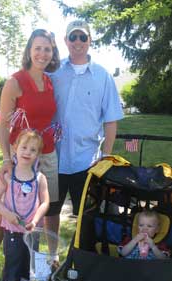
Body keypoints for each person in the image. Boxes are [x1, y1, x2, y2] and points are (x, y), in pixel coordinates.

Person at [0, 29, 60, 281]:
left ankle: (33, 270)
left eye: (48, 49)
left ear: (52, 53)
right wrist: (7, 159)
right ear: (29, 50)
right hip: (19, 156)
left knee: (44, 211)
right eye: (38, 47)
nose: (42, 53)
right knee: (4, 217)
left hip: (47, 154)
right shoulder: (15, 82)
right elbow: (2, 126)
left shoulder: (51, 81)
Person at [47, 20, 124, 235]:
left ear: (90, 40)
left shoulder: (103, 76)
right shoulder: (53, 72)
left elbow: (110, 120)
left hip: (87, 161)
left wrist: (106, 157)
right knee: (50, 212)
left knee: (89, 215)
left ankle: (84, 261)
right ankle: (51, 257)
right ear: (65, 41)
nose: (78, 41)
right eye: (73, 37)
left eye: (83, 37)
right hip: (53, 158)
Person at [0, 130, 49, 281]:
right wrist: (7, 214)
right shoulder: (8, 176)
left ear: (38, 154)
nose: (27, 152)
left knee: (28, 262)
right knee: (14, 263)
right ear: (15, 148)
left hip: (32, 231)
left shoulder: (40, 178)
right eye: (23, 147)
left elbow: (45, 202)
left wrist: (36, 220)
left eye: (33, 149)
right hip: (13, 231)